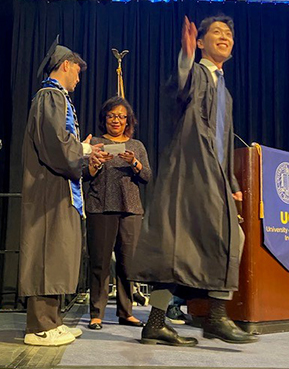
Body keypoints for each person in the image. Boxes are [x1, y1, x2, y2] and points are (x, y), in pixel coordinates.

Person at [129, 15, 258, 346]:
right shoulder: (198, 73)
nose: (224, 36)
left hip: (213, 176)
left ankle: (184, 320)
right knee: (176, 245)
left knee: (228, 238)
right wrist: (185, 57)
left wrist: (232, 184)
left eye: (228, 33)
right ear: (200, 42)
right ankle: (198, 319)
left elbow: (224, 143)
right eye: (216, 32)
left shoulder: (225, 93)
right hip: (187, 172)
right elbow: (179, 87)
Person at [19, 40, 110, 346]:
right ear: (67, 65)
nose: (79, 78)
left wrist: (82, 153)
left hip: (60, 187)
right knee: (47, 251)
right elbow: (57, 145)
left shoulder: (58, 99)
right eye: (78, 72)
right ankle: (40, 326)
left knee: (58, 253)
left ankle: (53, 320)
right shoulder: (50, 97)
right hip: (48, 190)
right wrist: (83, 150)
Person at [83, 96, 152, 330]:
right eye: (111, 116)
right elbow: (84, 174)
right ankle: (96, 313)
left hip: (130, 209)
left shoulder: (136, 146)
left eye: (121, 116)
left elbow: (147, 177)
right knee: (100, 263)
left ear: (128, 121)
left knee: (127, 264)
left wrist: (134, 163)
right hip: (100, 207)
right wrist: (95, 162)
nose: (116, 120)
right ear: (105, 118)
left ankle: (126, 312)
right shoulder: (97, 143)